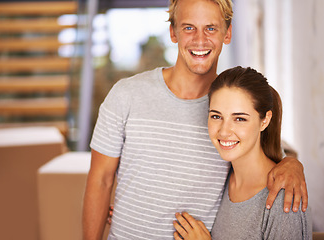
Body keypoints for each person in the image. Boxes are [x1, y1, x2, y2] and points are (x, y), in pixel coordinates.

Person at [82, 0, 308, 239]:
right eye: (189, 28)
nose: (200, 40)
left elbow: (262, 155)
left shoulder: (231, 104)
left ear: (227, 33)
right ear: (173, 32)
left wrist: (292, 165)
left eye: (210, 28)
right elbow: (100, 181)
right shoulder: (125, 94)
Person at [173, 66, 312, 240]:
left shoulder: (284, 199)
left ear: (265, 121)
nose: (224, 132)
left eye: (240, 119)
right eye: (216, 116)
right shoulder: (221, 177)